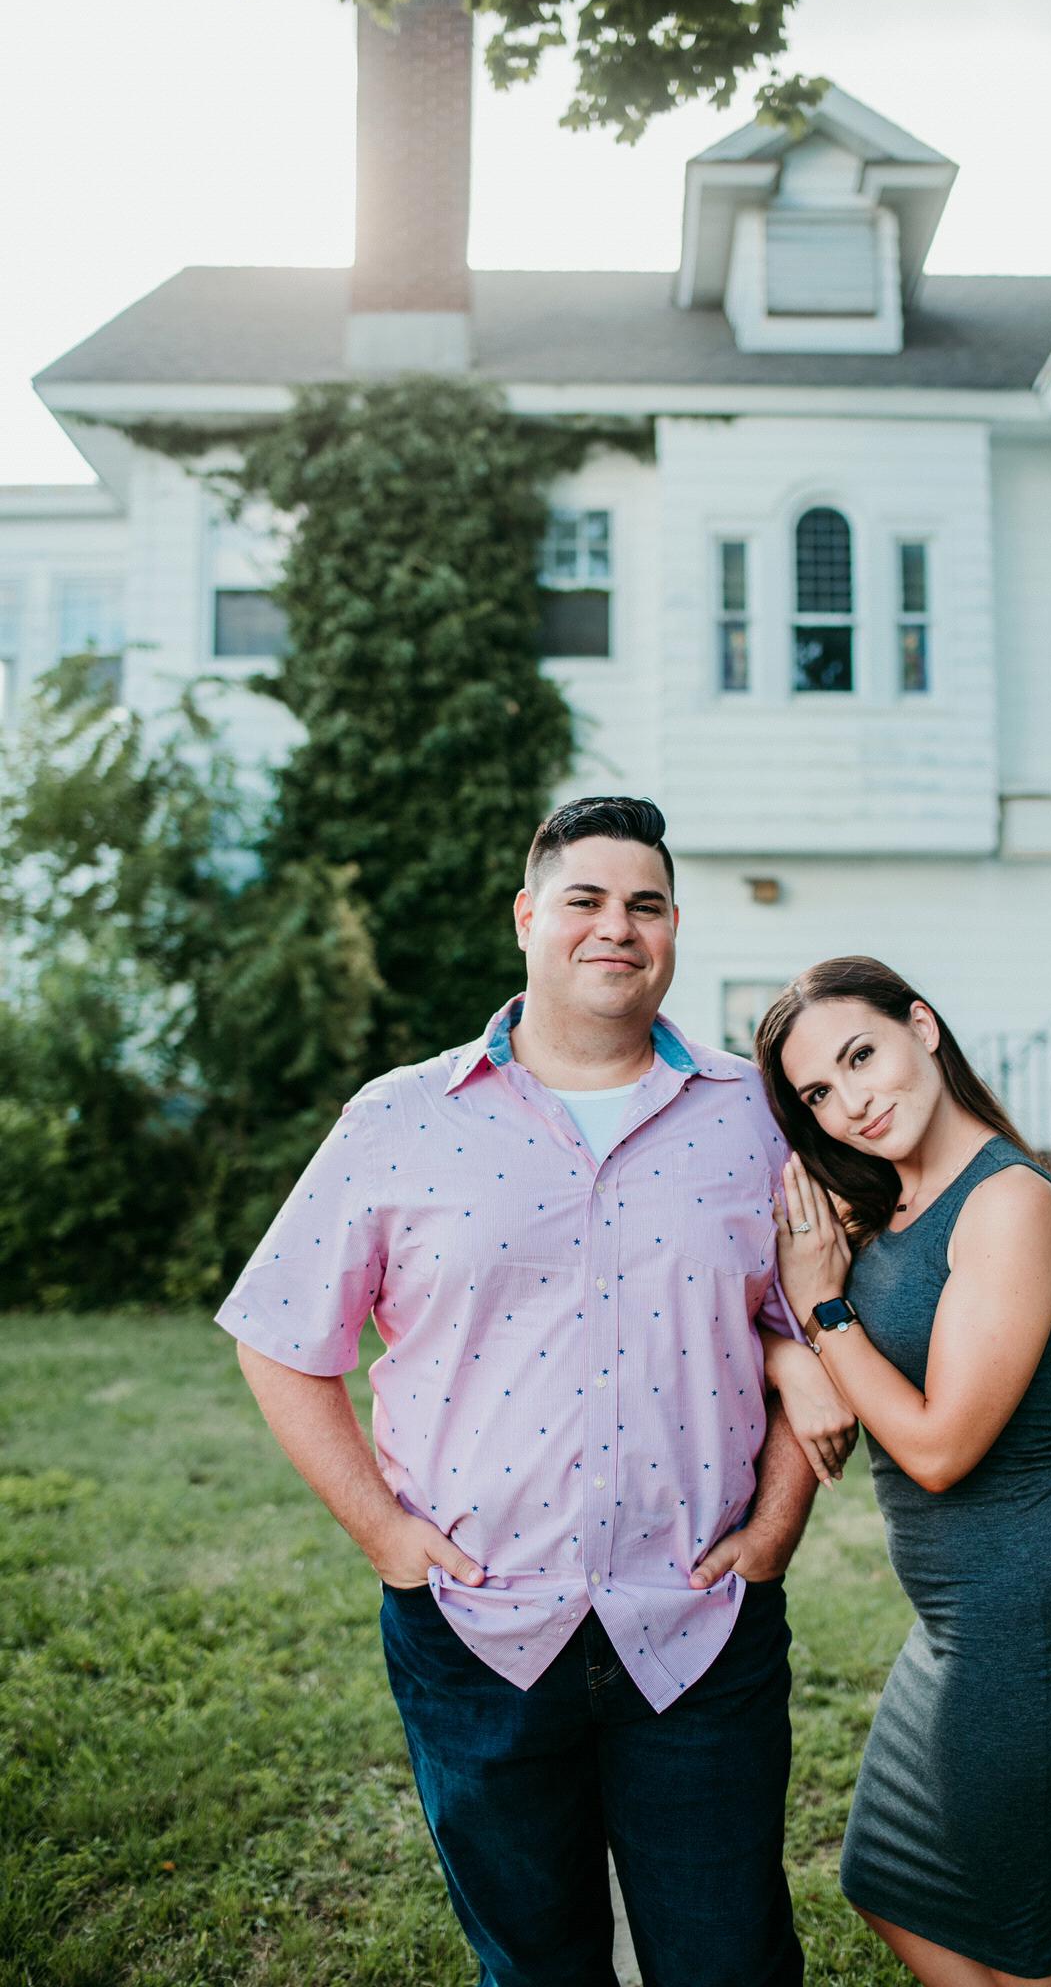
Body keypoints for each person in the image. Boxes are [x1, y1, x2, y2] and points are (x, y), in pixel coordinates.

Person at [215, 795, 855, 1987]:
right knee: (536, 1965)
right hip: (475, 1624)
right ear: (526, 917)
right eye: (585, 898)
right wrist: (385, 1536)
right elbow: (280, 1336)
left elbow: (805, 1321)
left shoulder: (755, 1117)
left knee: (730, 1960)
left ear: (673, 930)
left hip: (701, 1622)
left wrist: (774, 1528)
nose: (617, 925)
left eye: (646, 904)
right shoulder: (400, 1116)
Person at [753, 955, 1051, 1987]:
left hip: (1029, 1616)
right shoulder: (887, 1203)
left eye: (861, 1055)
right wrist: (794, 1349)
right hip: (956, 1620)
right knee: (886, 1878)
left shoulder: (1007, 1201)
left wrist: (825, 1315)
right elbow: (764, 1310)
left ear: (921, 1026)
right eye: (818, 1093)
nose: (851, 1102)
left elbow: (935, 1449)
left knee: (1031, 1949)